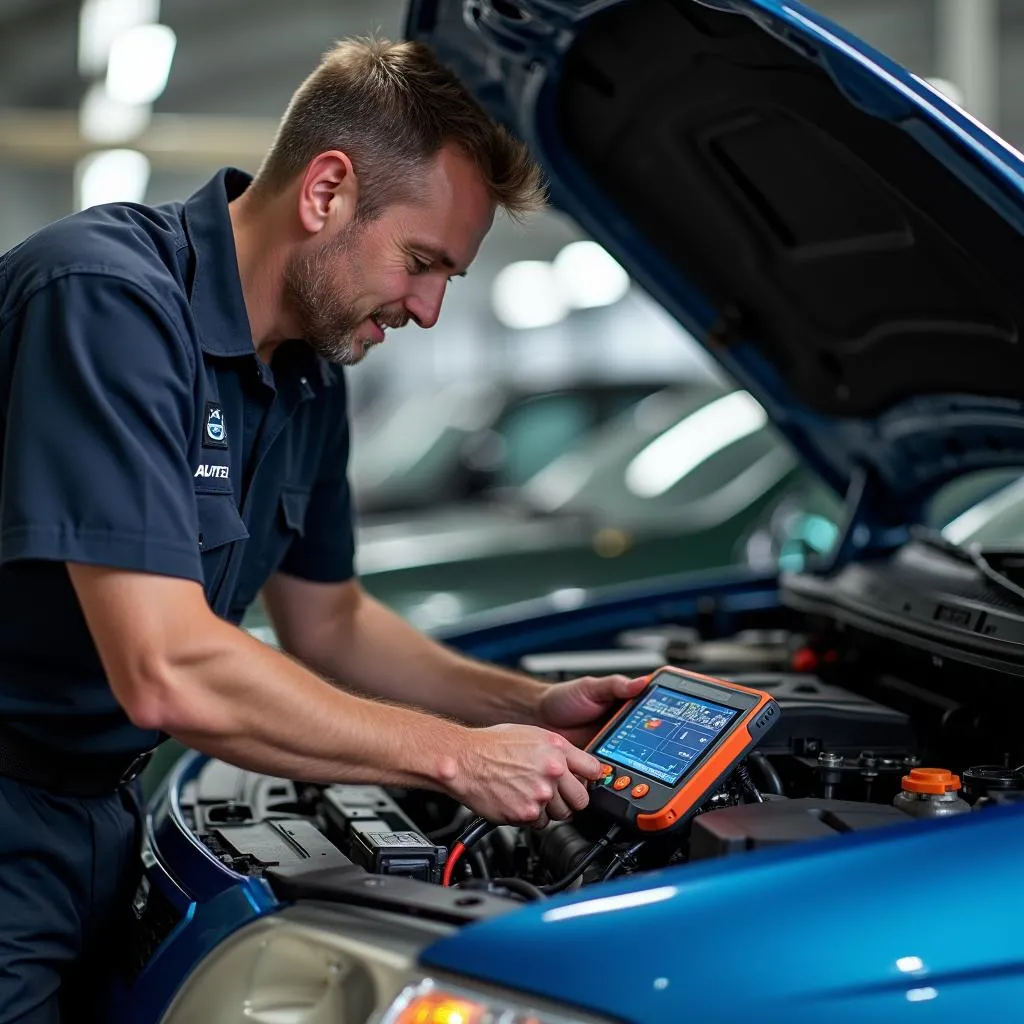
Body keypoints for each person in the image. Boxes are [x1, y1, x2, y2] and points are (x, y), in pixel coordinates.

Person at [0, 37, 645, 1023]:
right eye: (421, 263)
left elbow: (331, 623)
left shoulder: (307, 373)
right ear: (327, 190)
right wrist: (453, 756)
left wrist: (520, 707)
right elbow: (166, 666)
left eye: (448, 280)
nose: (428, 309)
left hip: (103, 810)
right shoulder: (104, 303)